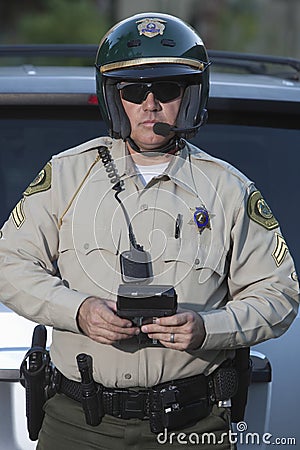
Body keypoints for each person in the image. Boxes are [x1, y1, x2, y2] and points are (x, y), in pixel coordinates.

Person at [0, 12, 299, 450]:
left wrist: (207, 329)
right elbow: (9, 263)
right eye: (134, 91)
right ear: (113, 97)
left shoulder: (229, 189)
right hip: (77, 425)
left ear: (191, 95)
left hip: (192, 427)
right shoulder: (66, 175)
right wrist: (78, 310)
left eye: (167, 88)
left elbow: (279, 294)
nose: (150, 103)